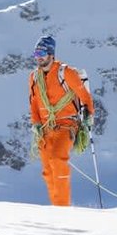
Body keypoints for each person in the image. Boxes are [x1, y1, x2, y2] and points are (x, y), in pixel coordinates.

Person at [27, 36, 94, 206]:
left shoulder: (66, 73)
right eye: (36, 53)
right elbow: (34, 102)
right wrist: (35, 123)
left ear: (51, 54)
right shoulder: (34, 77)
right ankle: (56, 208)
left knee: (58, 159)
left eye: (42, 53)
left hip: (66, 125)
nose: (38, 57)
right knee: (48, 171)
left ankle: (63, 208)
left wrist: (88, 116)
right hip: (45, 129)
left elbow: (84, 96)